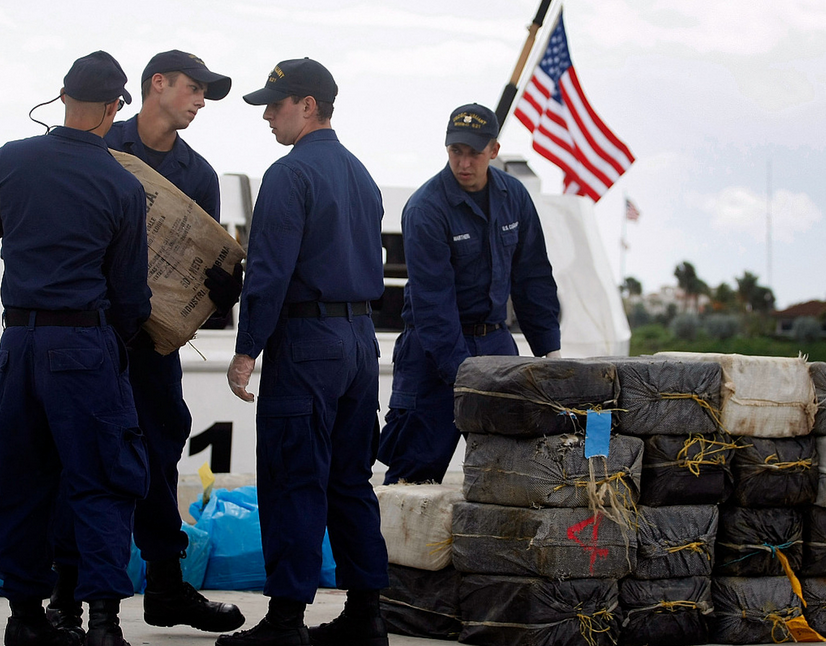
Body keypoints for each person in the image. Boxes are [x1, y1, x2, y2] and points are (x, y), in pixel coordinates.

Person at [48, 50, 245, 638]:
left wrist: (224, 288)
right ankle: (65, 597)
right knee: (77, 463)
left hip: (153, 349)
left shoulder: (199, 174)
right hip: (92, 338)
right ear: (156, 85)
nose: (201, 100)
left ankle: (164, 585)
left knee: (158, 456)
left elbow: (196, 270)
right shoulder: (104, 146)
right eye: (193, 88)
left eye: (206, 92)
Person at [220, 57, 389, 646]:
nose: (268, 114)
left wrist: (247, 350)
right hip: (359, 342)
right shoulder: (362, 175)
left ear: (308, 105)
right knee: (349, 480)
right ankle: (367, 617)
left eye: (276, 103)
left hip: (306, 343)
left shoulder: (289, 175)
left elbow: (268, 274)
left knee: (294, 479)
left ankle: (286, 624)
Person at [0, 51, 151, 646]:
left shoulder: (9, 162)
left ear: (61, 98)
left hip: (18, 342)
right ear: (116, 108)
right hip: (85, 346)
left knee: (21, 483)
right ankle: (105, 625)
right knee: (102, 481)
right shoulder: (121, 182)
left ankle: (26, 621)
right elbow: (132, 297)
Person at [377, 103, 561, 485]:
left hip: (495, 343)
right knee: (414, 474)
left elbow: (533, 278)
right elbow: (433, 304)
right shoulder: (426, 209)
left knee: (508, 473)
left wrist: (550, 353)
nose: (464, 162)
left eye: (474, 152)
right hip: (433, 351)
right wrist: (465, 377)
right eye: (455, 151)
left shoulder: (515, 198)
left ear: (493, 150)